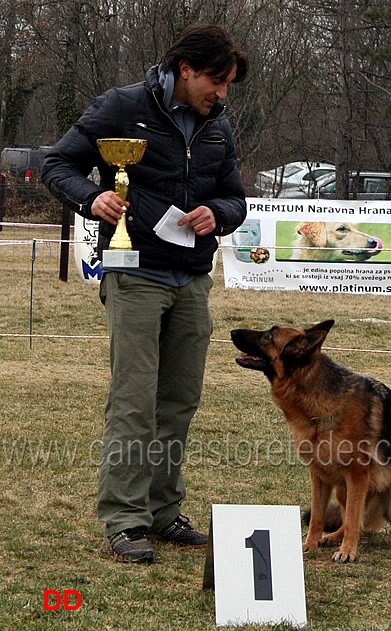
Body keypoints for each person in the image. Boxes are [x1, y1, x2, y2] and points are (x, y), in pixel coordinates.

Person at [42, 24, 249, 563]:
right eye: (217, 81)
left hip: (191, 278)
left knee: (179, 401)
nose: (223, 94)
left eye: (228, 86)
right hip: (133, 271)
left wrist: (218, 214)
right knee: (134, 400)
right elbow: (56, 163)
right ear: (186, 69)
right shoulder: (119, 107)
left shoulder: (218, 127)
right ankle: (125, 519)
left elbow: (234, 197)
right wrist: (92, 198)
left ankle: (162, 511)